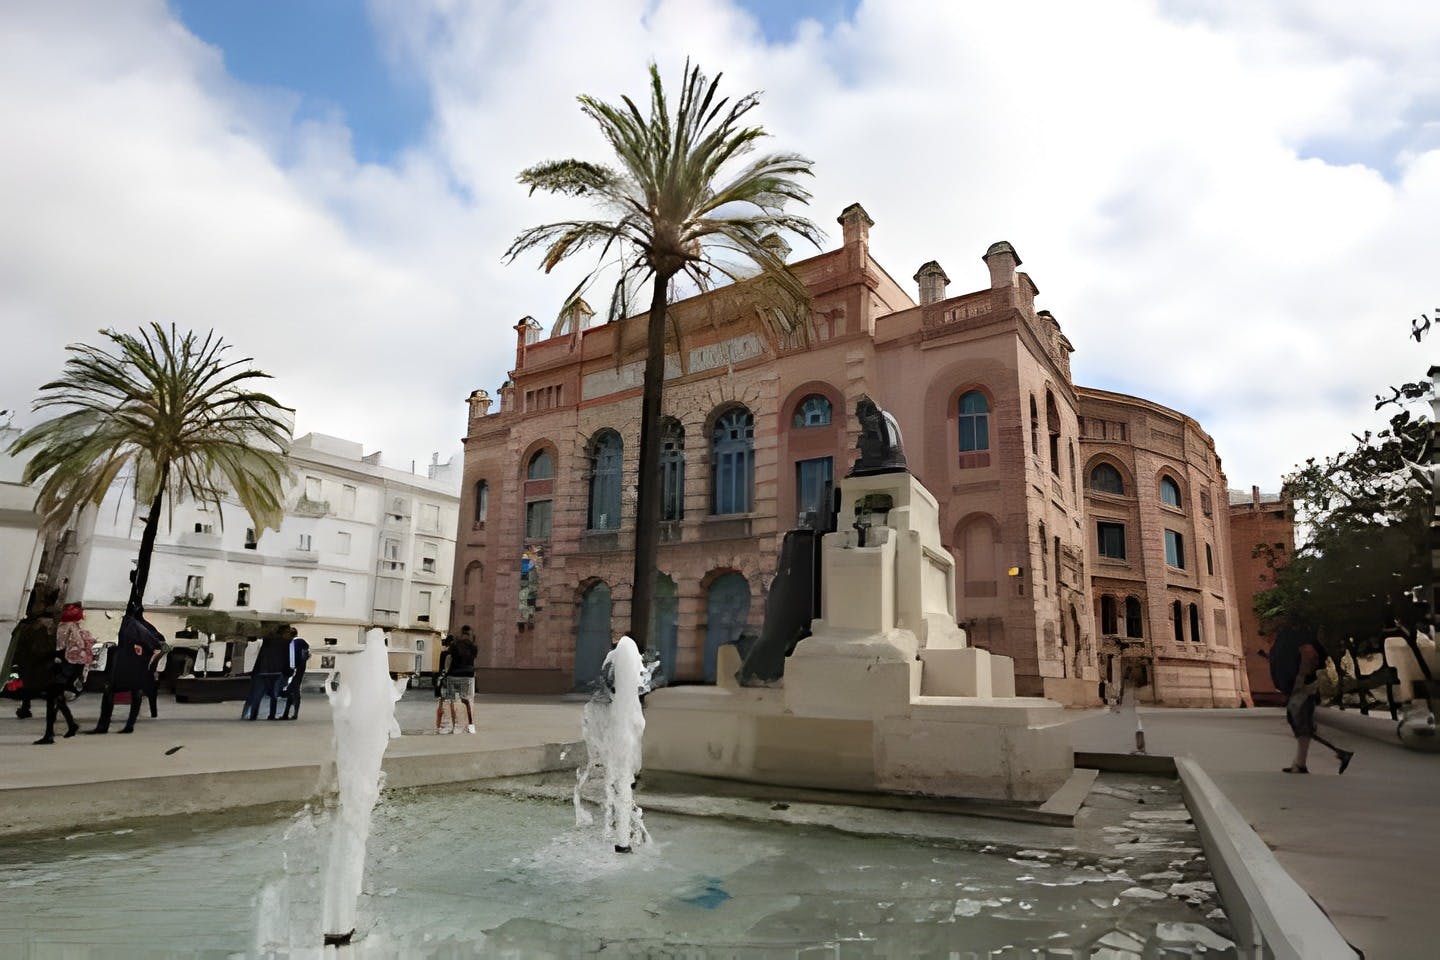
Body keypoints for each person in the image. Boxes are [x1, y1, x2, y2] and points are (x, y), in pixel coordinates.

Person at [1269, 623, 1354, 775]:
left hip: (1303, 689)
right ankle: (1305, 762)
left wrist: (1298, 683)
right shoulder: (1295, 641)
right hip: (1299, 688)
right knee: (1299, 723)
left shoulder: (1300, 642)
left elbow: (1305, 664)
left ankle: (1304, 763)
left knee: (1301, 724)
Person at [89, 603, 164, 735]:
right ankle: (128, 725)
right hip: (133, 667)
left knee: (111, 691)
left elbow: (159, 645)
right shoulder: (142, 626)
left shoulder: (133, 625)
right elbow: (160, 645)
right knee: (134, 693)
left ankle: (105, 725)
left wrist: (147, 659)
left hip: (127, 667)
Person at [242, 624, 292, 721]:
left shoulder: (268, 641)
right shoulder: (287, 643)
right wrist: (288, 672)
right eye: (288, 632)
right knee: (274, 695)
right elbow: (288, 660)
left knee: (256, 695)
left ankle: (252, 715)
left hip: (262, 672)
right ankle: (271, 715)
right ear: (284, 633)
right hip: (276, 672)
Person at [435, 628, 477, 734]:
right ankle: (471, 725)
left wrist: (443, 677)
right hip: (467, 676)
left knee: (450, 701)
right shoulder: (473, 646)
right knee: (466, 700)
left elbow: (447, 663)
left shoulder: (453, 647)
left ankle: (452, 726)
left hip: (453, 676)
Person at [279, 630, 310, 720]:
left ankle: (288, 713)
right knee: (293, 691)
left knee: (292, 691)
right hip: (299, 670)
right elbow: (306, 656)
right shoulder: (303, 643)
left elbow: (295, 658)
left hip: (293, 671)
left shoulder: (295, 643)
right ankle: (292, 713)